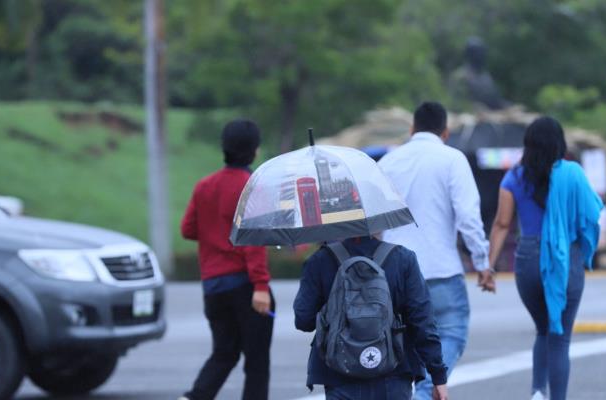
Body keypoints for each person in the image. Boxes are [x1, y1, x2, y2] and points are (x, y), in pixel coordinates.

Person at [378, 101, 494, 399]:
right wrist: (482, 264)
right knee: (452, 333)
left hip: (393, 272)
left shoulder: (388, 162)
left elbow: (373, 221)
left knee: (404, 345)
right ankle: (428, 390)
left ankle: (417, 391)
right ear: (446, 131)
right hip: (440, 270)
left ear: (412, 128)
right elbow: (468, 217)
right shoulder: (452, 159)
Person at [487, 116, 602, 400]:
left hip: (527, 260)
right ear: (559, 143)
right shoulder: (573, 174)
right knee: (559, 337)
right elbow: (592, 213)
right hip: (566, 259)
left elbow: (503, 224)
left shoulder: (514, 176)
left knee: (543, 330)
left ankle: (538, 391)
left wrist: (487, 266)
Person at [179, 119, 274, 400]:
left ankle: (193, 397)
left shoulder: (204, 186)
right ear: (255, 151)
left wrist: (215, 235)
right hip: (246, 285)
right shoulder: (251, 186)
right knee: (256, 361)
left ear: (224, 147)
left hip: (213, 286)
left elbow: (188, 229)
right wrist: (260, 285)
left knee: (224, 352)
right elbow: (253, 239)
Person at [294, 235, 450, 400]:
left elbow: (304, 320)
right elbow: (422, 322)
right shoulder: (403, 258)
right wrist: (438, 376)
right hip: (393, 373)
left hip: (339, 374)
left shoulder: (320, 260)